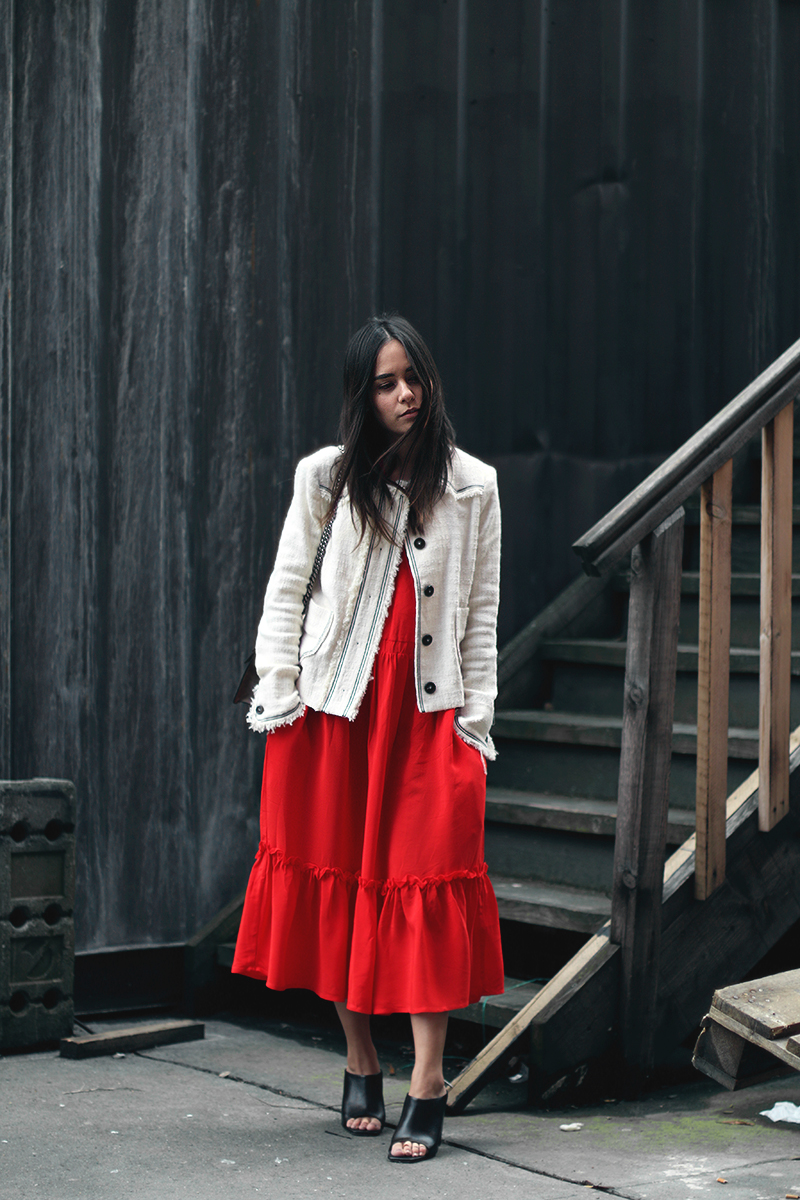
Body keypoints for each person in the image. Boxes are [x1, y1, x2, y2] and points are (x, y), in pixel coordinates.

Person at [232, 314, 504, 1163]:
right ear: (363, 394)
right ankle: (359, 1061)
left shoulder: (473, 484)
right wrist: (280, 693)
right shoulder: (325, 477)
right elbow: (286, 589)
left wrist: (474, 723)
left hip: (428, 719)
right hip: (335, 712)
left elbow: (482, 612)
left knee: (426, 881)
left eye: (413, 376)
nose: (405, 394)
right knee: (342, 881)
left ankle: (427, 1081)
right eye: (386, 382)